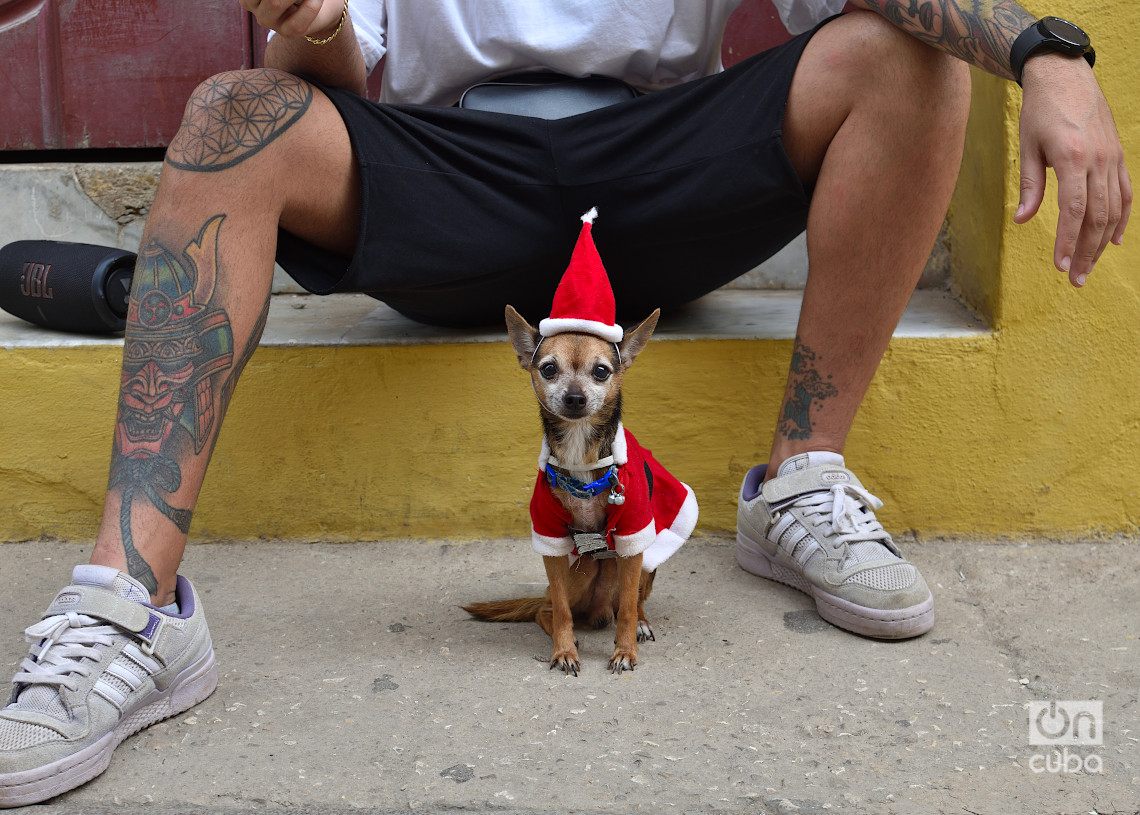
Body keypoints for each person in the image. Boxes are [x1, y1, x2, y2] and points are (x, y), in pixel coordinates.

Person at [0, 0, 1129, 806]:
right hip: (455, 161)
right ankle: (127, 605)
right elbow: (332, 83)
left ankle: (802, 480)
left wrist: (1048, 51)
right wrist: (319, 23)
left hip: (657, 167)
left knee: (905, 52)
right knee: (233, 111)